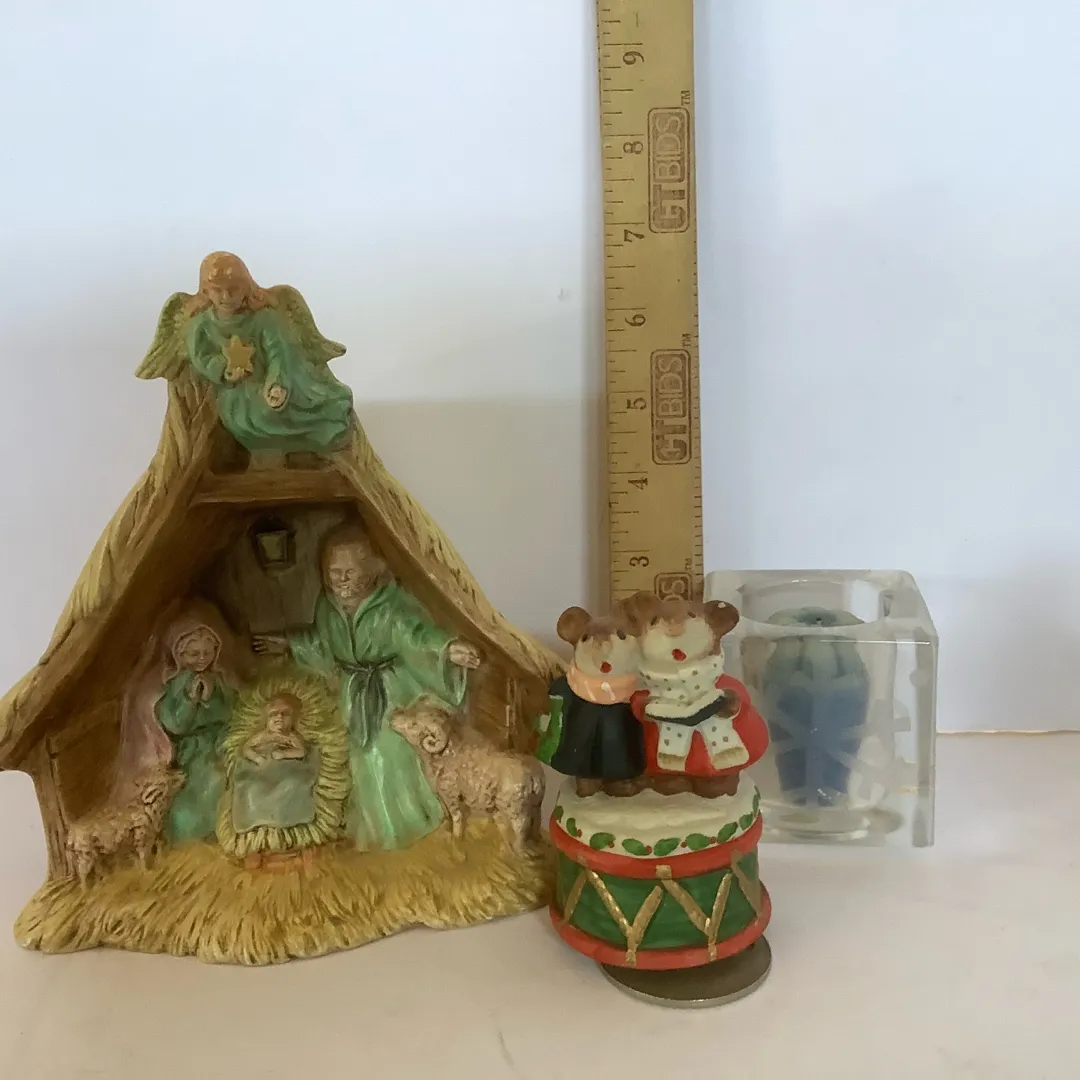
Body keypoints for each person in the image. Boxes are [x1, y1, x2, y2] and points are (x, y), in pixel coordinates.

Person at [255, 524, 481, 851]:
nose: (340, 580)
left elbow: (416, 635)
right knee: (356, 758)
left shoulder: (392, 606)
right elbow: (322, 643)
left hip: (391, 691)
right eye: (333, 572)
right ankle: (369, 833)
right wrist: (291, 643)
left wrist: (447, 649)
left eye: (349, 572)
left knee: (390, 753)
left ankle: (406, 829)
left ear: (372, 570)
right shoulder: (327, 607)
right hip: (352, 692)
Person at [184, 252, 354, 453]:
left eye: (234, 289)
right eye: (217, 290)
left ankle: (310, 445)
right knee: (253, 416)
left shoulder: (264, 318)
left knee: (303, 407)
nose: (226, 297)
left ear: (246, 287)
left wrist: (276, 383)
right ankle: (271, 451)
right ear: (206, 291)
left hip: (278, 380)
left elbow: (278, 352)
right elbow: (201, 357)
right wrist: (225, 371)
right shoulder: (201, 326)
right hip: (236, 390)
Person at [114, 600, 246, 843]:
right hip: (191, 751)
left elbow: (232, 711)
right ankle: (198, 838)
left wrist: (211, 699)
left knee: (235, 774)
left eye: (207, 653)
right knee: (208, 783)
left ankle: (231, 832)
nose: (201, 659)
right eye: (194, 654)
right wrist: (190, 700)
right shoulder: (174, 684)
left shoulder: (219, 679)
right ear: (179, 654)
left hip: (221, 740)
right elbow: (174, 724)